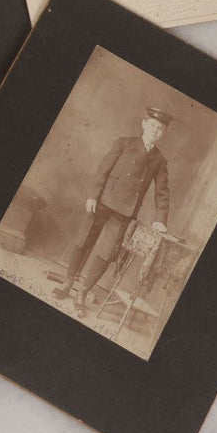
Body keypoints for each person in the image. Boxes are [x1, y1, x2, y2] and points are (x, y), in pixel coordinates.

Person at [51, 107, 173, 316]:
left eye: (160, 129)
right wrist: (92, 195)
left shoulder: (159, 160)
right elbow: (103, 170)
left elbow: (162, 192)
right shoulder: (124, 143)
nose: (155, 131)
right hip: (102, 202)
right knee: (83, 242)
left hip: (124, 212)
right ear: (143, 124)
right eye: (152, 126)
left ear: (163, 133)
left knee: (106, 254)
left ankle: (83, 292)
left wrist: (161, 219)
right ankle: (67, 283)